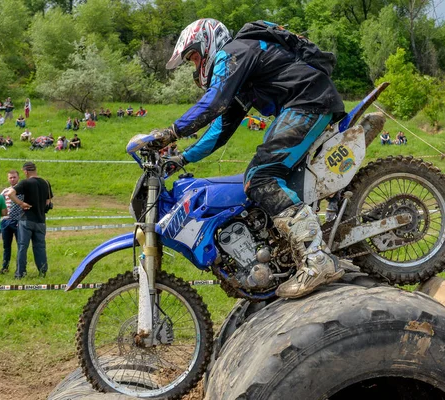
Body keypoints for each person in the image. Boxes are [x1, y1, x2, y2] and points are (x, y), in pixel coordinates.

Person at [142, 19, 346, 299]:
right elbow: (220, 130)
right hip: (305, 102)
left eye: (193, 58)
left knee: (261, 176)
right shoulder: (242, 71)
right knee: (265, 175)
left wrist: (171, 132)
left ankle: (316, 259)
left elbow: (213, 103)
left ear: (207, 43)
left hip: (308, 102)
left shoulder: (234, 52)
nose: (195, 66)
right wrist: (182, 159)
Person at [6, 162, 53, 279]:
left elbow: (10, 193)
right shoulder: (45, 183)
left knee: (22, 247)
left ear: (25, 171)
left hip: (26, 219)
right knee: (40, 247)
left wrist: (21, 203)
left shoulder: (25, 182)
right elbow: (49, 201)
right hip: (41, 220)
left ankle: (20, 274)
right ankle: (43, 272)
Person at [0, 170, 24, 275]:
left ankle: (20, 269)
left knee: (20, 246)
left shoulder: (23, 190)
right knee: (6, 246)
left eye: (14, 177)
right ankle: (5, 267)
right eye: (10, 177)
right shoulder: (4, 191)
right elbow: (0, 204)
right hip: (5, 221)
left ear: (18, 177)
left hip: (18, 221)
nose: (12, 179)